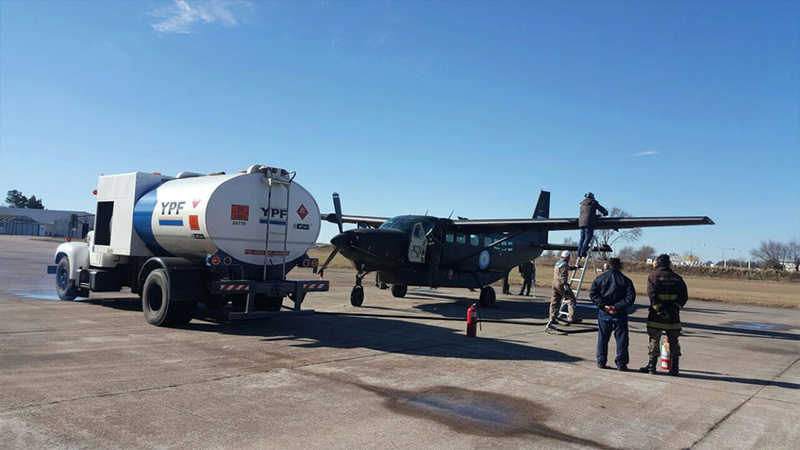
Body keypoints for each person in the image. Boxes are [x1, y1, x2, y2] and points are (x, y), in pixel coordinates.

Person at [639, 254, 688, 376]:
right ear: (669, 264)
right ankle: (675, 368)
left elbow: (652, 295)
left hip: (656, 316)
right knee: (674, 342)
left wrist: (660, 310)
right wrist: (675, 308)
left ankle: (651, 367)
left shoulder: (653, 277)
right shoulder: (678, 278)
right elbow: (684, 297)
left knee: (654, 340)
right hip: (673, 317)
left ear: (657, 264)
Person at [590, 258, 636, 370]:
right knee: (622, 339)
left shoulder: (599, 279)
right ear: (619, 266)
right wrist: (617, 307)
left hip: (604, 313)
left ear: (607, 266)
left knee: (602, 338)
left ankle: (601, 361)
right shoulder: (626, 280)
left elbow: (593, 294)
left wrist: (603, 306)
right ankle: (621, 363)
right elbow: (630, 298)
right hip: (619, 313)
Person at [549, 250, 582, 326]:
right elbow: (563, 276)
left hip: (554, 284)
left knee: (555, 301)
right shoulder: (564, 265)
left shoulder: (558, 263)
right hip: (561, 285)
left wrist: (574, 268)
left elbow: (566, 268)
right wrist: (566, 287)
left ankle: (552, 318)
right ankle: (571, 317)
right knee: (572, 299)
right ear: (567, 257)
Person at [577, 192, 608, 258]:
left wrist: (595, 216)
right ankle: (583, 251)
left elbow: (587, 213)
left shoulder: (582, 204)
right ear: (592, 197)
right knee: (588, 236)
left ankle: (579, 252)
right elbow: (602, 209)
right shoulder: (593, 202)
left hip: (581, 222)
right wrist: (605, 213)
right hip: (589, 222)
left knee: (582, 237)